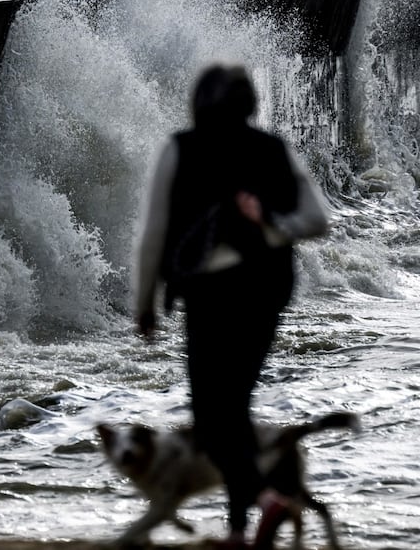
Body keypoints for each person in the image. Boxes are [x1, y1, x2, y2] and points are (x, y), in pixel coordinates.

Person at [133, 63, 331, 547]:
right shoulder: (273, 149)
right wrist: (268, 224)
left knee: (211, 417)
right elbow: (318, 218)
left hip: (213, 294)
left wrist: (143, 303)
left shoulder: (181, 148)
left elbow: (155, 233)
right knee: (235, 408)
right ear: (249, 105)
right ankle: (242, 530)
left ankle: (265, 503)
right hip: (268, 288)